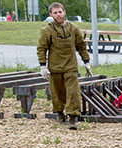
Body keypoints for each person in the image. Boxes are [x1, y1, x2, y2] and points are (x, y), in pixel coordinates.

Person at [37, 2, 91, 130]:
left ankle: (72, 118)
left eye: (60, 12)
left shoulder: (74, 29)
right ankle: (60, 114)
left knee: (73, 92)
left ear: (64, 12)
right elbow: (41, 48)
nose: (58, 15)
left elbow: (81, 46)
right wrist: (42, 66)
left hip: (70, 67)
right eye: (55, 13)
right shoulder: (47, 30)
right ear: (51, 15)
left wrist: (87, 63)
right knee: (57, 93)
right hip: (55, 68)